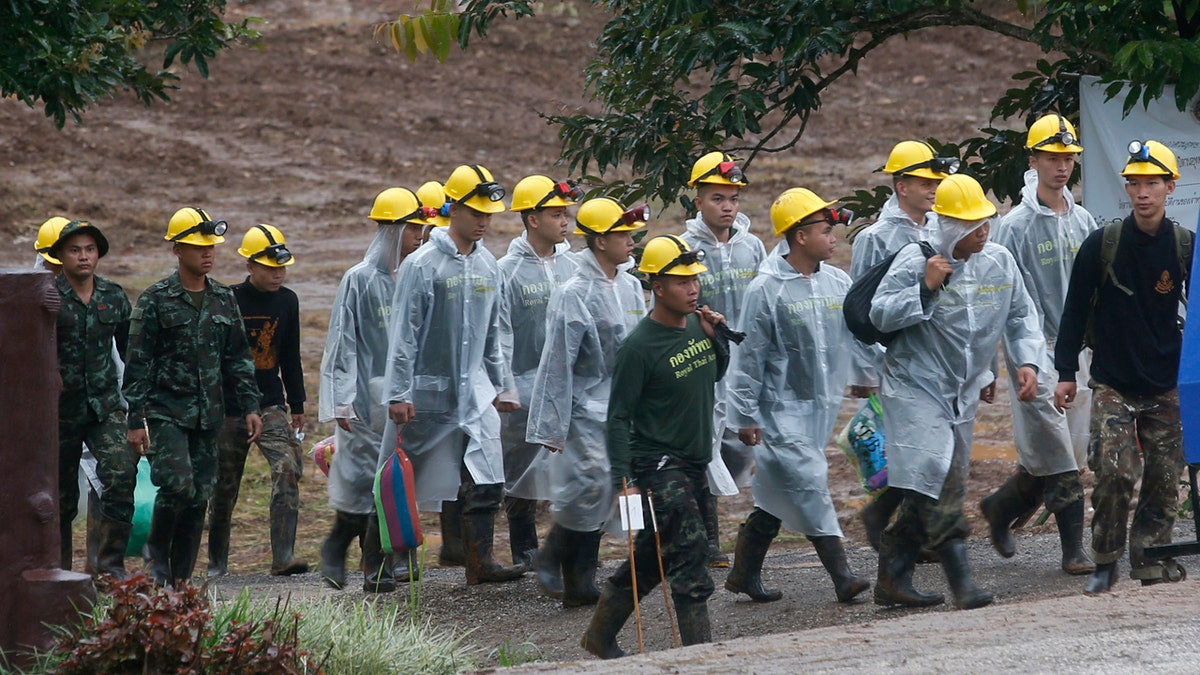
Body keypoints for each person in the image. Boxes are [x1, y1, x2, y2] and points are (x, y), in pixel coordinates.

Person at [870, 175, 1043, 610]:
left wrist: (1026, 362)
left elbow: (1021, 316)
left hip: (962, 391)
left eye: (985, 223)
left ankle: (892, 568)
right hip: (915, 385)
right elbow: (879, 314)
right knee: (938, 473)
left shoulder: (999, 262)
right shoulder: (916, 259)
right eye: (971, 225)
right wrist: (924, 287)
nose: (982, 232)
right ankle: (962, 582)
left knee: (936, 482)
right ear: (946, 225)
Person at [581, 235, 728, 659]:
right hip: (659, 465)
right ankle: (699, 656)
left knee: (652, 554)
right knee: (689, 554)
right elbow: (619, 417)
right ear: (657, 287)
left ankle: (599, 634)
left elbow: (713, 374)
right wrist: (623, 480)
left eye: (694, 280)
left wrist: (716, 338)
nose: (693, 288)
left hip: (694, 461)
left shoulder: (696, 327)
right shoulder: (639, 347)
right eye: (681, 282)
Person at [1055, 140, 1191, 594]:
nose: (1142, 193)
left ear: (1170, 186)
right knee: (1114, 470)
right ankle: (1106, 558)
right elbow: (1074, 311)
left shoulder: (1185, 246)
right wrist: (1065, 373)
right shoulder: (1102, 244)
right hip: (1113, 379)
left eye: (1152, 183)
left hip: (1166, 382)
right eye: (1134, 183)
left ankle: (1150, 556)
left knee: (1166, 475)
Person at [724, 188, 871, 604]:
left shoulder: (836, 281)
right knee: (809, 480)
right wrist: (745, 415)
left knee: (780, 489)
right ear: (800, 235)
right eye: (826, 230)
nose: (834, 238)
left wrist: (866, 376)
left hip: (820, 407)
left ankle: (743, 572)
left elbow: (855, 337)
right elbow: (749, 357)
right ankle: (842, 577)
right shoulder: (765, 290)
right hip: (779, 409)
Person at [383, 164, 525, 586]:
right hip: (428, 391)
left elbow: (497, 331)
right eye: (476, 211)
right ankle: (381, 563)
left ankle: (479, 563)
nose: (484, 220)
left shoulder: (488, 267)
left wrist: (502, 385)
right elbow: (403, 334)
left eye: (489, 213)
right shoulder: (424, 265)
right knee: (402, 475)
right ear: (454, 208)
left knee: (487, 474)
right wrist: (398, 392)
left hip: (475, 389)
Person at [123, 207, 263, 587]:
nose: (208, 253)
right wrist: (135, 420)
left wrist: (250, 405)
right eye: (198, 246)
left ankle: (181, 580)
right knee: (177, 485)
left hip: (209, 414)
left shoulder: (222, 298)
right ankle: (157, 559)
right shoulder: (155, 299)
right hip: (166, 412)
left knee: (200, 495)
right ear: (177, 250)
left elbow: (237, 356)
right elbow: (137, 363)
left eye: (212, 247)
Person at [982, 114, 1097, 575]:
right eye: (1052, 157)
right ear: (1033, 160)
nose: (1062, 166)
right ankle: (1073, 550)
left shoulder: (1083, 219)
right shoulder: (1015, 226)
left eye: (1068, 157)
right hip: (1035, 349)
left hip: (1079, 353)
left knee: (1065, 451)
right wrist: (1000, 362)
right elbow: (1003, 299)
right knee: (1058, 454)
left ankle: (999, 507)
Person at [526, 196, 647, 606]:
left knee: (609, 488)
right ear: (598, 242)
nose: (630, 241)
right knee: (589, 485)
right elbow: (556, 362)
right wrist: (552, 424)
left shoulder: (631, 286)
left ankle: (579, 583)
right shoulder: (573, 293)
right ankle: (550, 556)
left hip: (620, 408)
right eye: (621, 234)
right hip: (583, 409)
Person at [318, 187, 429, 592]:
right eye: (412, 228)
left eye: (421, 228)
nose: (419, 236)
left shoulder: (419, 277)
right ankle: (348, 554)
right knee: (366, 483)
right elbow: (342, 342)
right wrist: (341, 400)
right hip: (366, 400)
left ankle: (390, 560)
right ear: (391, 230)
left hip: (404, 401)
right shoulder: (360, 281)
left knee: (394, 483)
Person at [849, 140, 955, 551]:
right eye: (923, 180)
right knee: (914, 449)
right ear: (899, 184)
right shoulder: (875, 238)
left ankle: (897, 522)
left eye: (936, 180)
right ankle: (908, 536)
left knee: (924, 449)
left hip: (933, 356)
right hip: (891, 358)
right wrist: (865, 371)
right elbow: (859, 310)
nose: (933, 187)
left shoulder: (938, 229)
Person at [207, 224, 309, 578]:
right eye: (269, 267)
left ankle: (283, 556)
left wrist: (297, 405)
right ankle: (217, 563)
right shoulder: (227, 298)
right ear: (249, 266)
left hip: (271, 404)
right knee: (224, 486)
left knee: (288, 468)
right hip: (229, 408)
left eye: (281, 267)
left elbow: (291, 356)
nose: (277, 274)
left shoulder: (288, 301)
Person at [679, 151, 764, 567]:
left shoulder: (752, 247)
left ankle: (753, 539)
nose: (727, 206)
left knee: (744, 450)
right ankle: (707, 542)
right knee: (702, 449)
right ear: (697, 201)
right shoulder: (685, 249)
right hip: (703, 365)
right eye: (717, 198)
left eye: (733, 198)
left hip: (746, 365)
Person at [497, 175, 581, 572]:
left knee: (573, 466)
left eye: (565, 214)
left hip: (571, 385)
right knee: (521, 468)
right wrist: (507, 383)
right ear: (532, 219)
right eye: (555, 214)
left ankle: (569, 547)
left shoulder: (575, 265)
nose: (564, 221)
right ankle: (524, 546)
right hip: (525, 383)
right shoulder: (507, 272)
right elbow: (500, 332)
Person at [51, 219, 136, 578]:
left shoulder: (113, 296)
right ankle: (58, 573)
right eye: (74, 250)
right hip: (59, 411)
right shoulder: (47, 297)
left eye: (89, 249)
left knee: (121, 473)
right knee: (59, 498)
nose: (83, 257)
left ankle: (109, 568)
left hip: (105, 407)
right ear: (60, 256)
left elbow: (131, 353)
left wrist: (137, 411)